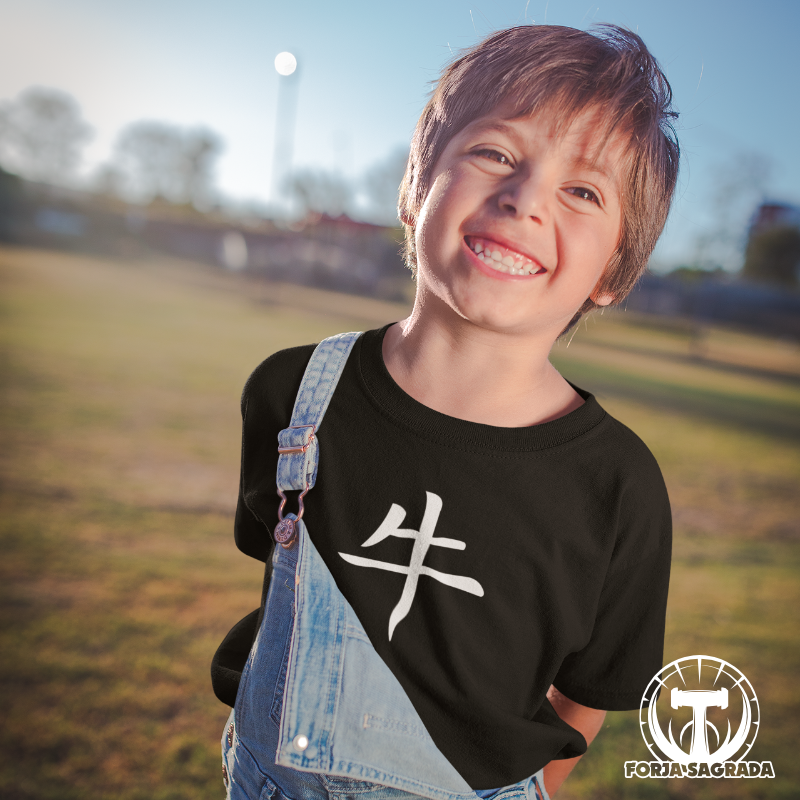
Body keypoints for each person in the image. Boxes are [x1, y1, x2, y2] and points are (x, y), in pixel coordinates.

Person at [212, 23, 678, 800]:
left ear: (613, 273)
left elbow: (588, 694)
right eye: (496, 152)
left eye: (582, 191)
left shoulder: (618, 484)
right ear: (415, 188)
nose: (525, 200)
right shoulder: (291, 390)